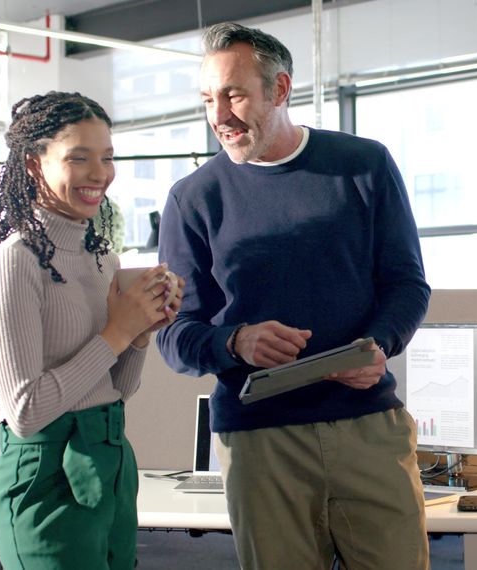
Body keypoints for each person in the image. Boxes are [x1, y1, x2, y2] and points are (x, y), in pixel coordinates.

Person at [156, 22, 432, 570]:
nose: (220, 116)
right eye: (209, 100)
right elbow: (173, 334)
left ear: (280, 90)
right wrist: (236, 342)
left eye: (234, 95)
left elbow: (407, 284)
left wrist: (378, 345)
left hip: (367, 425)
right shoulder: (191, 199)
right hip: (260, 444)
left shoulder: (363, 165)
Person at [0, 91, 182, 570]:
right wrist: (117, 331)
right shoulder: (11, 263)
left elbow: (117, 389)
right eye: (78, 158)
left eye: (107, 158)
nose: (99, 174)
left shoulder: (103, 260)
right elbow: (24, 411)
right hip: (44, 476)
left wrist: (141, 332)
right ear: (33, 164)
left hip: (108, 461)